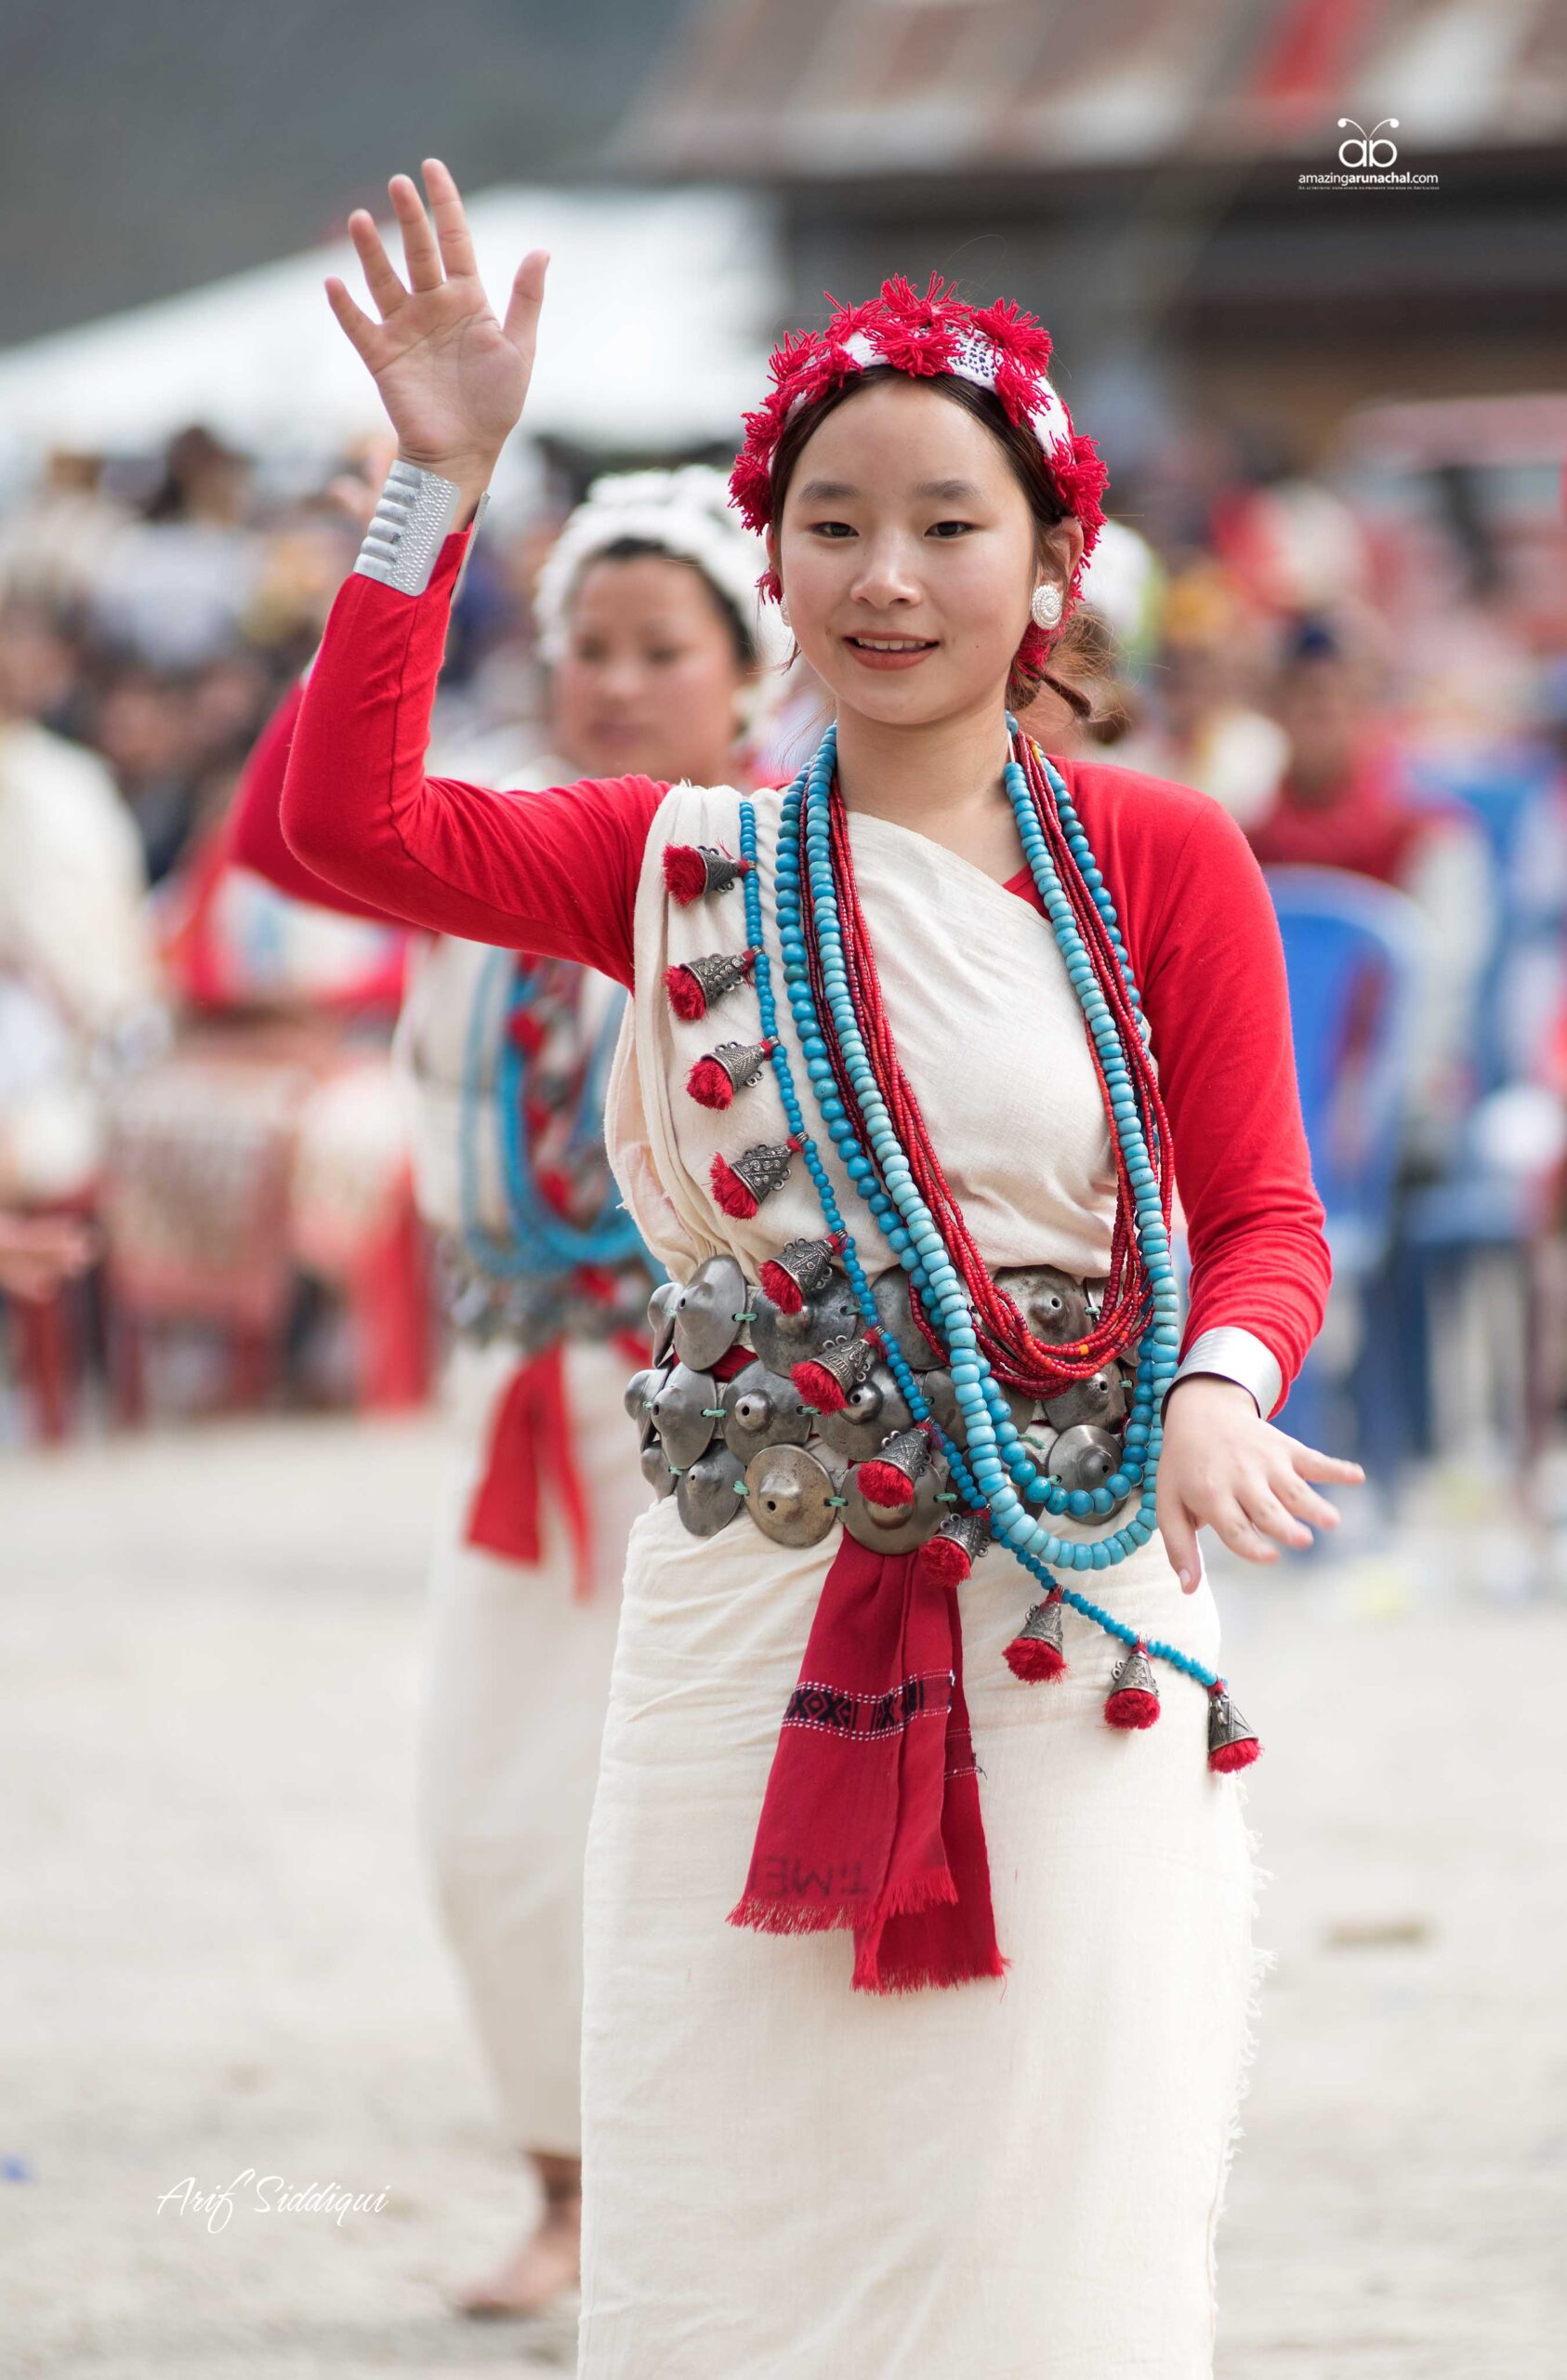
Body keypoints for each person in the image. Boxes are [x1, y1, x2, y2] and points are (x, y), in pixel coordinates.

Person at [283, 160, 1359, 2373]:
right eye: (837, 521)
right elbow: (341, 827)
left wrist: (1219, 1383)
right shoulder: (676, 863)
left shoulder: (1155, 854)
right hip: (745, 1593)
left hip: (1074, 1589)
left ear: (1054, 561)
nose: (890, 576)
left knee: (1043, 2159)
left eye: (951, 524)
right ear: (772, 558)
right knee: (729, 2132)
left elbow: (1265, 1214)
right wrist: (434, 483)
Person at [228, 453, 785, 2320]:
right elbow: (287, 832)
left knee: (690, 1814)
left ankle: (687, 2206)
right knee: (489, 1812)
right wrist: (411, 531)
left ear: (752, 671)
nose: (620, 682)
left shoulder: (792, 866)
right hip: (521, 1396)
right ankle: (565, 2179)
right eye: (590, 646)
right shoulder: (487, 836)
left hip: (740, 1419)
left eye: (664, 646)